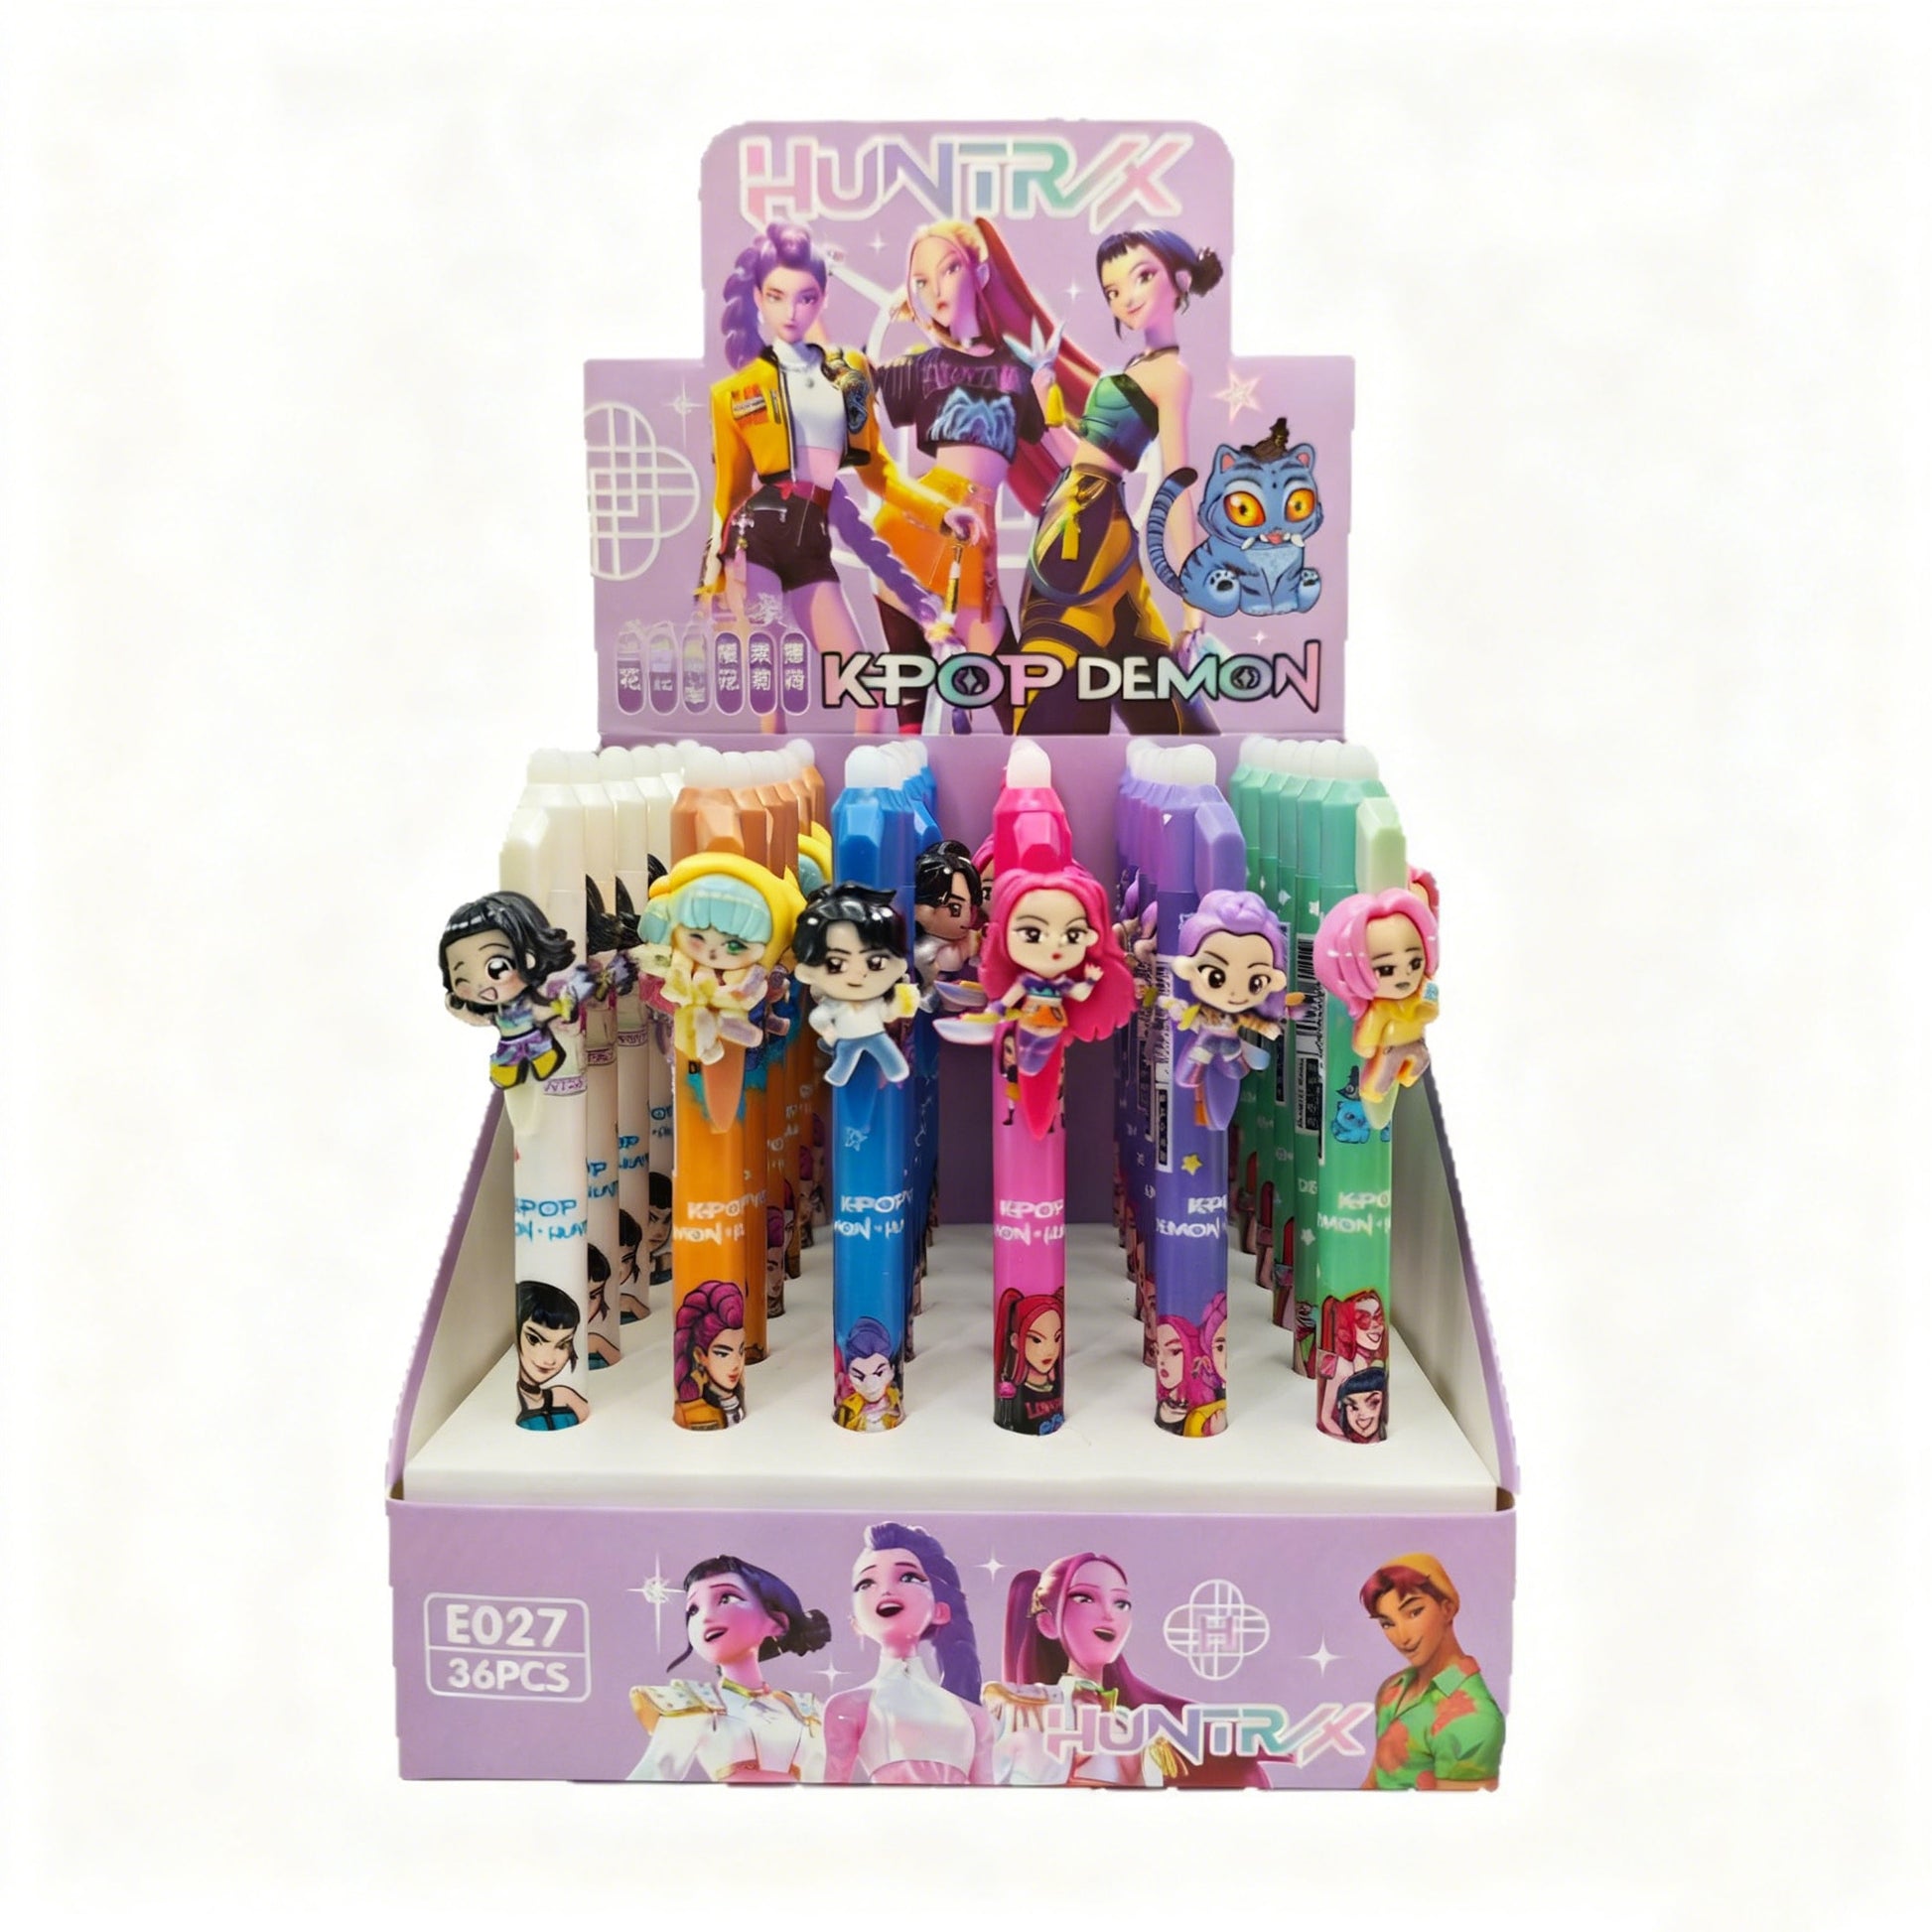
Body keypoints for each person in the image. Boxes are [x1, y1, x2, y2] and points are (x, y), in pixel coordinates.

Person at [702, 220, 984, 730]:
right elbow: (730, 495)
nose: (792, 312)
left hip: (812, 538)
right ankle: (779, 780)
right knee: (771, 689)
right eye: (777, 296)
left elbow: (880, 474)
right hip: (753, 541)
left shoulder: (850, 373)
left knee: (866, 689)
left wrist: (942, 514)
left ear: (823, 298)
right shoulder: (733, 394)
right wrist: (713, 575)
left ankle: (861, 777)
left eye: (806, 297)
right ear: (759, 299)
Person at [1013, 228, 1224, 734]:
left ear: (1180, 279)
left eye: (1142, 277)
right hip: (1077, 511)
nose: (1126, 297)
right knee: (1119, 655)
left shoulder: (1171, 374)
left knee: (1071, 649)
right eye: (1112, 290)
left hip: (1089, 524)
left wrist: (1194, 606)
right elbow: (1083, 458)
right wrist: (1046, 402)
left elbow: (1178, 485)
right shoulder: (1140, 366)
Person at [627, 1557, 831, 1783]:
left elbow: (824, 1786)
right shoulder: (696, 1706)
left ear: (776, 1623)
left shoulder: (806, 1711)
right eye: (693, 1610)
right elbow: (652, 1776)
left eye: (727, 1598)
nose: (705, 1617)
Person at [822, 1524, 994, 1784]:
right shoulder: (848, 1707)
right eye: (866, 1583)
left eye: (909, 1577)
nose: (886, 1590)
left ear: (940, 1610)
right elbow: (830, 1793)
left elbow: (988, 1797)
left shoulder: (973, 1716)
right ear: (856, 1622)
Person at [1358, 1553, 1504, 1790]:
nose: (1402, 1636)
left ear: (1447, 1609)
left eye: (1414, 1612)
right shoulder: (1393, 1689)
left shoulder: (1474, 1718)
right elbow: (1371, 1786)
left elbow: (1460, 1814)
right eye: (1387, 1623)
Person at [511, 1281, 588, 1432]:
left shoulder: (565, 1396)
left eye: (562, 1345)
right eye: (534, 1339)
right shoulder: (509, 1402)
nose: (549, 1360)